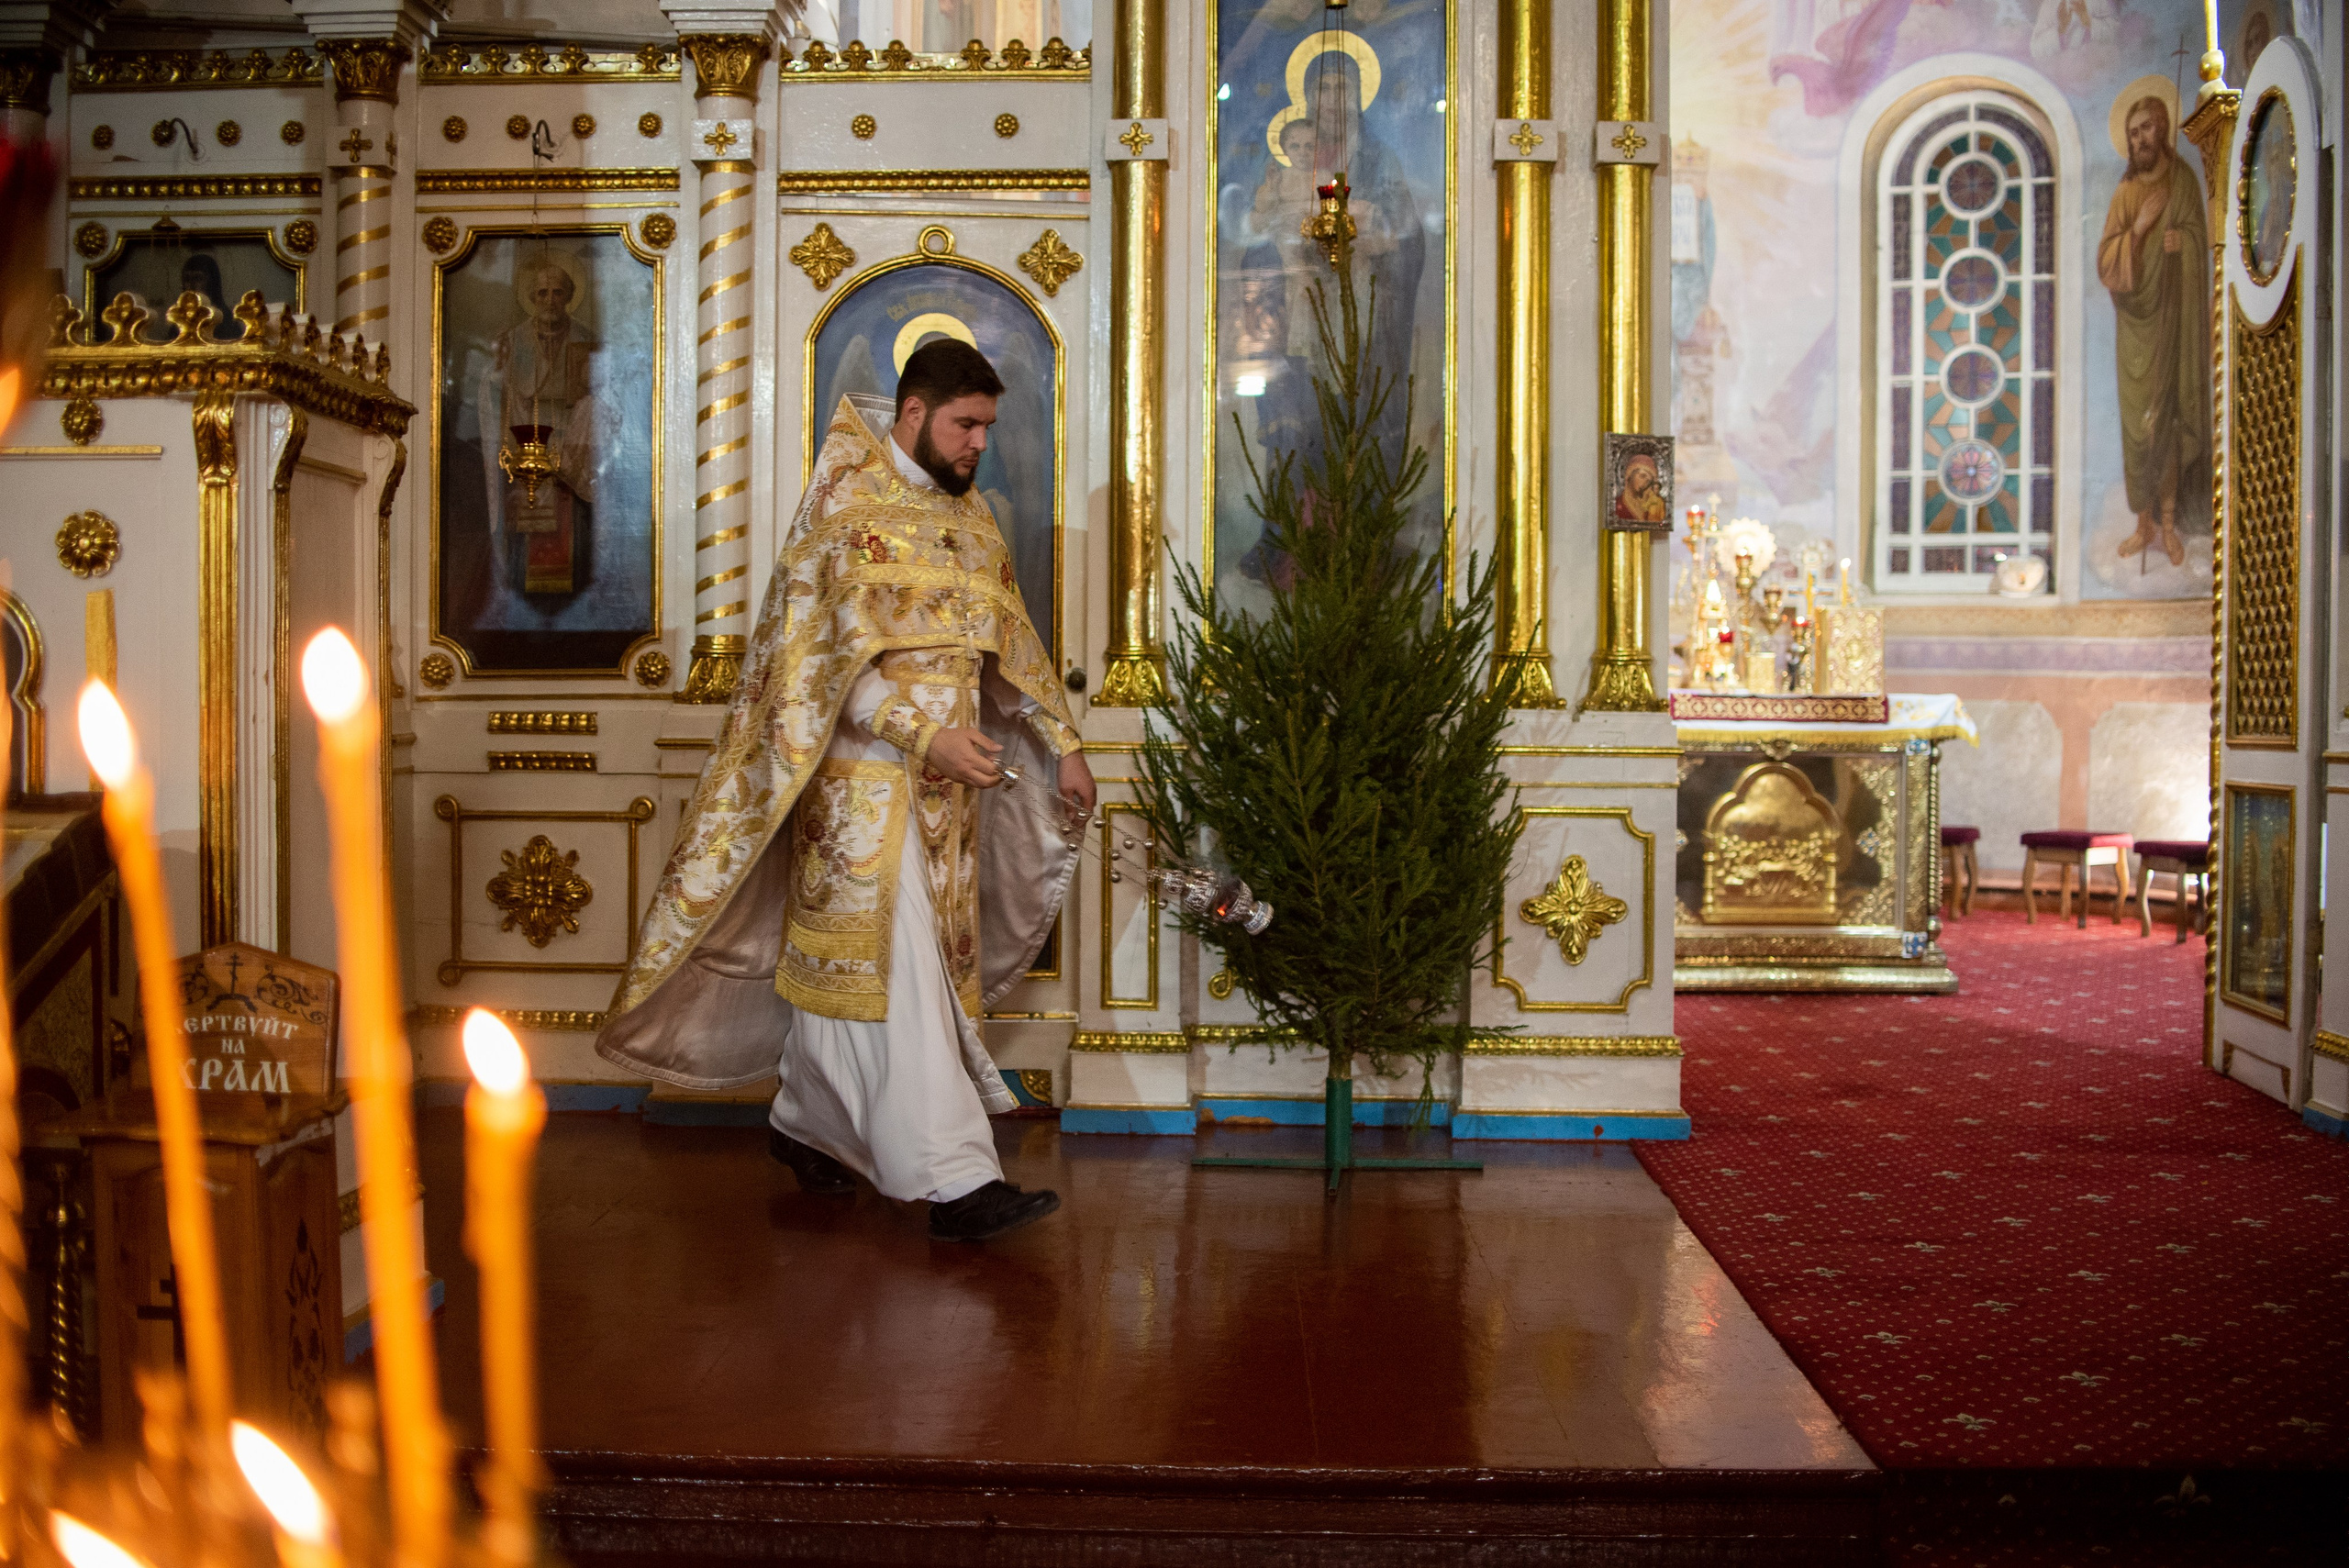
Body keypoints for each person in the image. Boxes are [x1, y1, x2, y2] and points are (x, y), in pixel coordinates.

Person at [598, 339, 1095, 1243]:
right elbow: (816, 669)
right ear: (915, 412)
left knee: (867, 981)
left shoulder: (972, 519)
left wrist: (1062, 744)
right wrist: (925, 734)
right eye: (966, 424)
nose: (980, 443)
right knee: (896, 972)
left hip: (949, 796)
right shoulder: (842, 505)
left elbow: (1007, 645)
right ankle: (955, 1179)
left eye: (988, 426)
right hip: (860, 792)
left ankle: (804, 1120)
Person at [2095, 95, 2210, 570]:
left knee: (2168, 423)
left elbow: (2203, 244)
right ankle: (2142, 524)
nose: (2140, 138)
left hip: (2174, 322)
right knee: (2137, 429)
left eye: (2147, 127)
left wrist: (2185, 243)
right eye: (2133, 131)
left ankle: (2167, 523)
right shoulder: (2126, 194)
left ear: (2162, 127)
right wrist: (2139, 231)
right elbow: (2107, 263)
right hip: (2135, 328)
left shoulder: (2182, 182)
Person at [475, 253, 613, 595]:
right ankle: (522, 590)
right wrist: (496, 377)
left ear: (569, 296)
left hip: (572, 449)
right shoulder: (513, 339)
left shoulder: (587, 339)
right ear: (532, 297)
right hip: (524, 441)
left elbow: (606, 393)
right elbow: (491, 386)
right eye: (542, 293)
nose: (550, 300)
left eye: (557, 292)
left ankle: (577, 588)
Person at [1613, 451, 1669, 524]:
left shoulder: (1652, 505)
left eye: (1649, 481)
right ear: (1629, 475)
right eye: (1642, 476)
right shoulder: (1617, 505)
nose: (1645, 483)